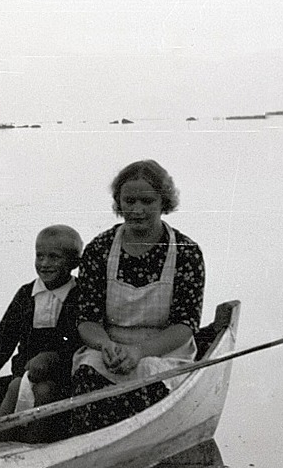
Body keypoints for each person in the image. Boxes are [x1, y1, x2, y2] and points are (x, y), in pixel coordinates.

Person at [69, 160, 205, 435]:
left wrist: (140, 352)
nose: (137, 209)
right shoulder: (100, 249)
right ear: (118, 202)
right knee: (87, 373)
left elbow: (185, 324)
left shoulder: (186, 252)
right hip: (110, 349)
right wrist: (106, 345)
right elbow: (87, 320)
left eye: (147, 201)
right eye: (129, 201)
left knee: (148, 380)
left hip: (166, 352)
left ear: (163, 202)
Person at [0, 225, 83, 438]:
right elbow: (3, 341)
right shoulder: (26, 295)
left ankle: (32, 445)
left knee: (44, 391)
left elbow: (79, 340)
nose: (45, 263)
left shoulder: (79, 295)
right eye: (40, 256)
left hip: (63, 377)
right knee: (15, 386)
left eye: (54, 257)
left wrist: (53, 357)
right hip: (25, 374)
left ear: (74, 262)